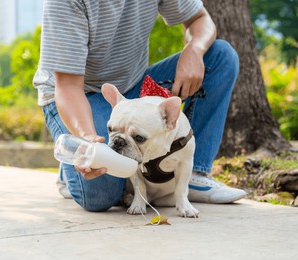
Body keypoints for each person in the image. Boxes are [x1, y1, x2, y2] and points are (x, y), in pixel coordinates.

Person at [33, 0, 246, 212]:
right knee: (101, 195)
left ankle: (194, 174)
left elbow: (200, 19)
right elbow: (68, 87)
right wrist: (88, 139)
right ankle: (70, 168)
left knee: (220, 56)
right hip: (78, 93)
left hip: (134, 85)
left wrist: (194, 49)